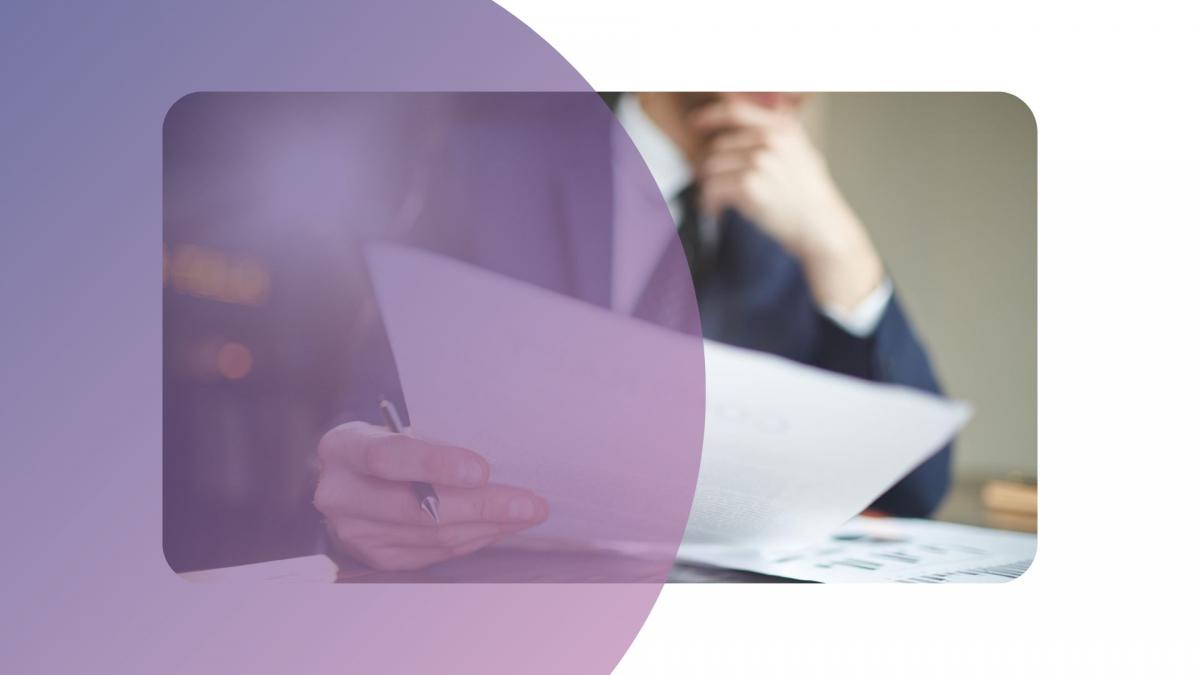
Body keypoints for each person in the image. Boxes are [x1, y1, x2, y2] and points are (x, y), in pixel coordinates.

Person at [314, 92, 951, 571]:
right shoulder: (486, 160)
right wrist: (367, 505)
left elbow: (918, 489)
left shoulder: (798, 229)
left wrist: (842, 251)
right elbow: (373, 412)